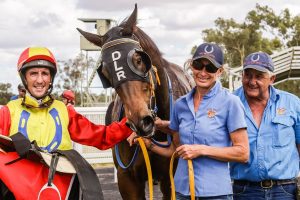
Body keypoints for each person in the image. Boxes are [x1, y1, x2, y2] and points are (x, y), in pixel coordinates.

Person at [0, 46, 133, 199]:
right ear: (24, 78)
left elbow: (100, 136)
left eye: (45, 73)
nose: (39, 80)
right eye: (33, 74)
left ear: (51, 78)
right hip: (21, 190)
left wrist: (129, 124)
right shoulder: (8, 112)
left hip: (61, 187)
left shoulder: (64, 111)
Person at [130, 43, 249, 199]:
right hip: (182, 192)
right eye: (198, 65)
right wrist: (148, 143)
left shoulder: (230, 102)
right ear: (191, 66)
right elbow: (175, 149)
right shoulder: (181, 105)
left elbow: (242, 153)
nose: (203, 72)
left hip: (216, 194)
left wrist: (201, 150)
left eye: (210, 68)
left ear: (219, 72)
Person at [230, 52, 300, 200]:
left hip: (284, 190)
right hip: (243, 191)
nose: (252, 81)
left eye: (259, 76)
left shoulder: (292, 103)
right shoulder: (230, 103)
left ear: (272, 79)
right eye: (248, 75)